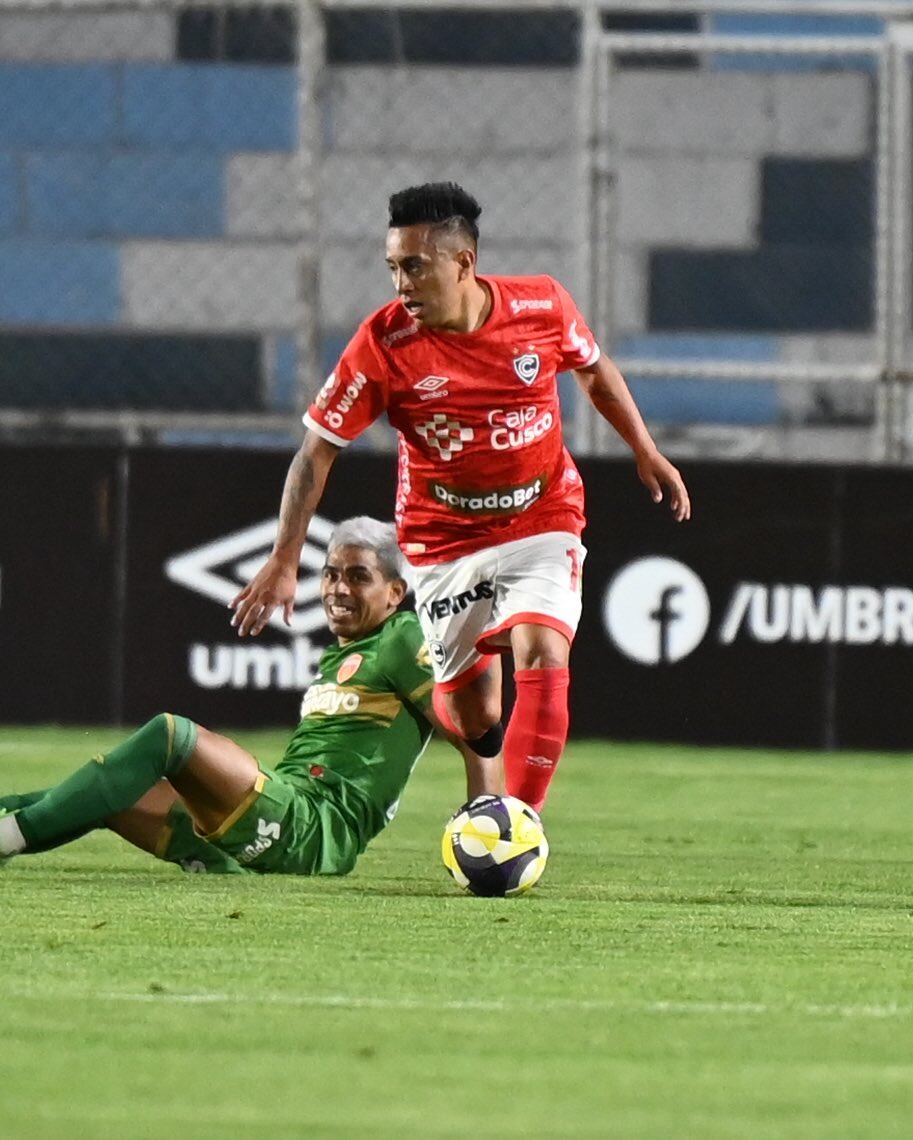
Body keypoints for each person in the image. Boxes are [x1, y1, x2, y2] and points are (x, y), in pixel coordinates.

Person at [230, 182, 691, 814]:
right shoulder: (383, 346)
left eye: (415, 266)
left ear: (463, 262)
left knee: (545, 650)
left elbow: (593, 368)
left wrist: (644, 448)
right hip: (443, 538)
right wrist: (285, 559)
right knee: (475, 715)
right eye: (393, 267)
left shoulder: (542, 305)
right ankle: (468, 709)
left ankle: (517, 827)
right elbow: (317, 448)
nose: (401, 284)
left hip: (543, 513)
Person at [0, 518, 497, 873]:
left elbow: (475, 732)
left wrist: (489, 826)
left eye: (358, 576)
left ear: (394, 591)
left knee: (170, 736)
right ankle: (214, 858)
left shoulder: (401, 638)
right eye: (330, 573)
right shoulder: (351, 650)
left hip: (315, 829)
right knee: (113, 792)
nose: (337, 588)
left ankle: (9, 834)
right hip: (286, 809)